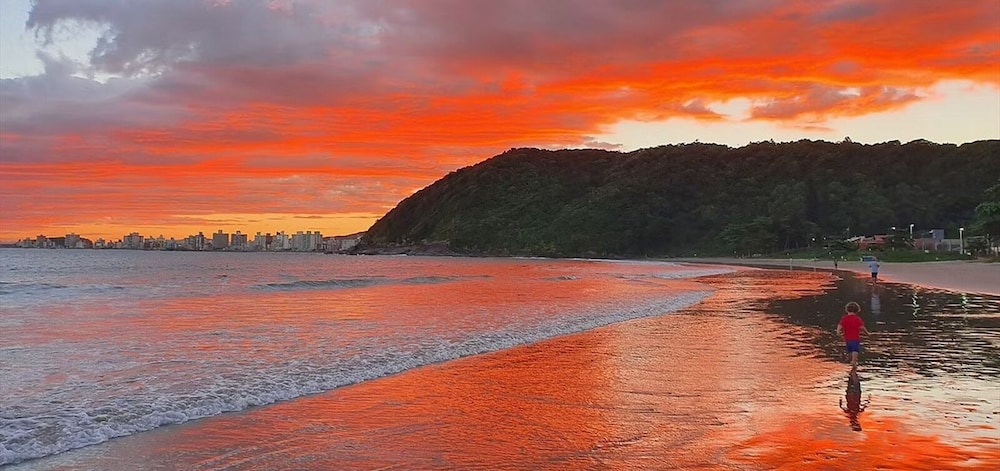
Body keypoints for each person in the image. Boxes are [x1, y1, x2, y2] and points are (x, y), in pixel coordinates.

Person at [836, 301, 870, 366]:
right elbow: (862, 328)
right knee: (855, 350)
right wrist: (867, 333)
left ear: (847, 309)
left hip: (847, 338)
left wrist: (838, 332)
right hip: (855, 338)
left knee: (850, 349)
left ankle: (850, 358)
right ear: (857, 310)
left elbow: (839, 326)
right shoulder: (857, 319)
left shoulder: (844, 318)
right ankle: (854, 361)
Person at [839, 366, 869, 431]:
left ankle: (854, 368)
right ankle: (853, 368)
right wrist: (840, 401)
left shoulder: (854, 413)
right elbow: (841, 407)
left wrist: (867, 401)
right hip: (850, 394)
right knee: (852, 379)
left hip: (855, 394)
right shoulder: (850, 413)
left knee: (854, 380)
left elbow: (863, 407)